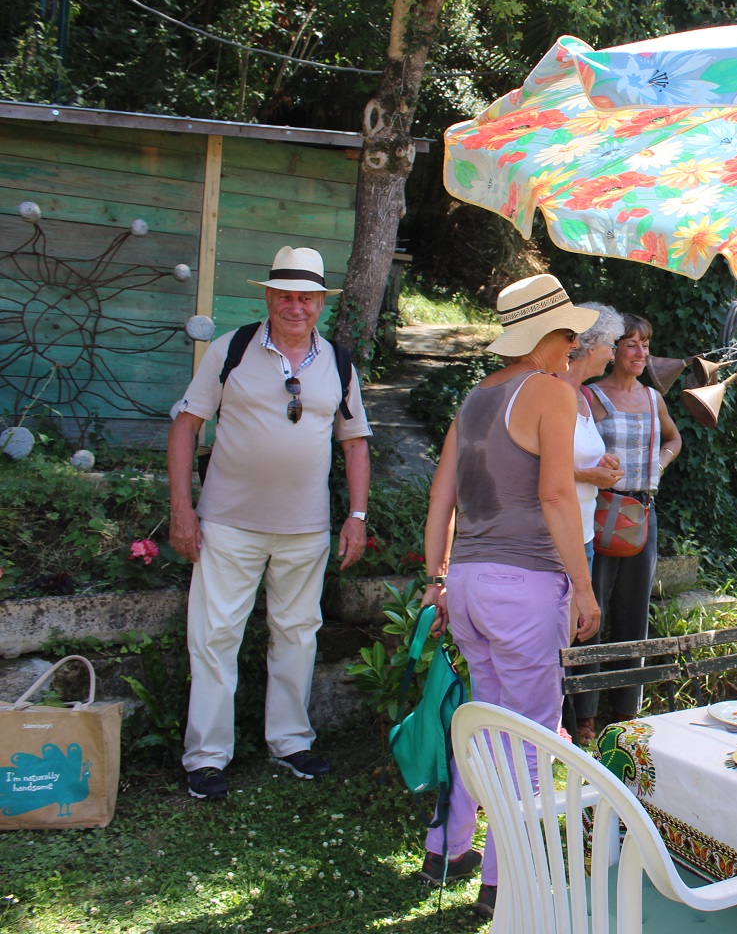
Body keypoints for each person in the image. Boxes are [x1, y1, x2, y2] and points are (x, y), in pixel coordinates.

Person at [416, 273, 601, 918]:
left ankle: (449, 847)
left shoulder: (473, 399)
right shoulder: (549, 391)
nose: (576, 341)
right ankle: (507, 880)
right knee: (526, 738)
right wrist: (584, 586)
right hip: (523, 588)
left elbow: (441, 496)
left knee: (485, 728)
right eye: (571, 330)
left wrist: (434, 580)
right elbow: (556, 494)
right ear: (552, 334)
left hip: (465, 585)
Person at [167, 246, 371, 802]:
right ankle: (206, 758)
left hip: (306, 529)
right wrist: (182, 509)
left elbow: (355, 445)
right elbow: (186, 427)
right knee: (213, 637)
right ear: (268, 297)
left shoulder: (339, 363)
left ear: (320, 304)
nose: (296, 306)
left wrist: (356, 516)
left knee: (298, 635)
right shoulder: (230, 350)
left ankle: (290, 743)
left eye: (306, 297)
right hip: (227, 523)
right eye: (286, 295)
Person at [573, 313, 682, 739]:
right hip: (599, 513)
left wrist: (660, 462)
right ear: (613, 350)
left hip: (642, 515)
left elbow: (674, 439)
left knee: (634, 613)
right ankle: (583, 714)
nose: (641, 353)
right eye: (631, 344)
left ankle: (625, 713)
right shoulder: (590, 396)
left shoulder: (655, 399)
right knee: (591, 611)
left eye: (645, 344)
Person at [564, 303, 627, 567]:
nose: (613, 356)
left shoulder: (584, 395)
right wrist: (587, 476)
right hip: (553, 541)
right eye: (612, 346)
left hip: (583, 536)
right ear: (591, 345)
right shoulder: (551, 391)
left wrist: (599, 466)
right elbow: (526, 466)